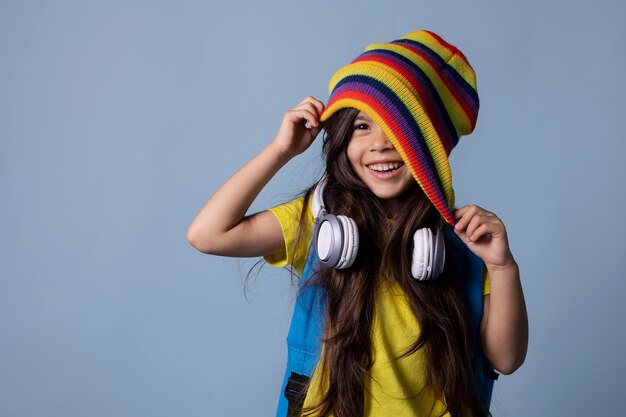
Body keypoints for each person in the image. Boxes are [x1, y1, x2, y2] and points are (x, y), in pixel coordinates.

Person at [187, 29, 528, 417]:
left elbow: (506, 357)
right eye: (362, 126)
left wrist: (503, 267)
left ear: (433, 144)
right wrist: (281, 150)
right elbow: (208, 234)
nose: (380, 143)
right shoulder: (321, 222)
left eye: (400, 129)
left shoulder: (462, 240)